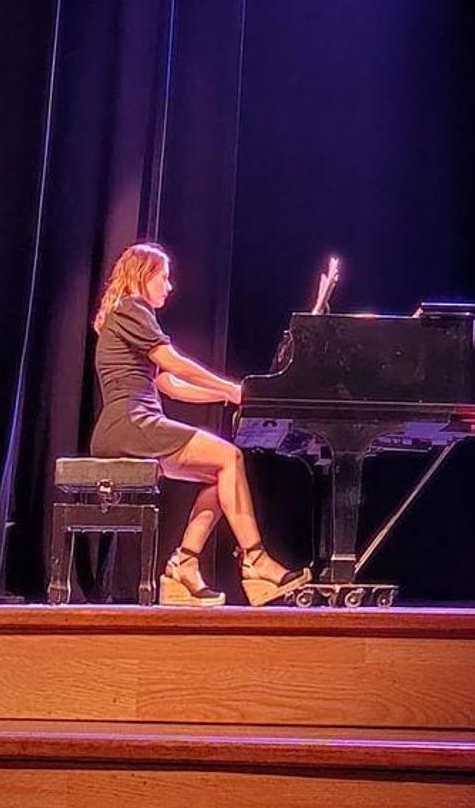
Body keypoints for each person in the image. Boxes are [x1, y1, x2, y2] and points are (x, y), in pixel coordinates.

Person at [91, 241, 310, 607]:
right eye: (165, 276)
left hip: (132, 423)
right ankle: (256, 560)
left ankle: (185, 564)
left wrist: (228, 396)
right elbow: (174, 363)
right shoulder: (132, 308)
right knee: (230, 458)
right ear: (142, 275)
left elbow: (170, 385)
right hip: (129, 423)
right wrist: (231, 387)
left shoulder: (127, 315)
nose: (170, 285)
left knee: (220, 474)